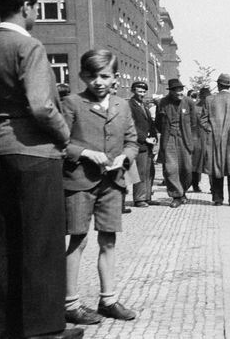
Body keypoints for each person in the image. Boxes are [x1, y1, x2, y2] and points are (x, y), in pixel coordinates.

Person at [0, 0, 83, 339]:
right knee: (42, 244)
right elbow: (43, 107)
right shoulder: (28, 47)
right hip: (34, 154)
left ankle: (0, 325)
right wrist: (64, 136)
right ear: (27, 6)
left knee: (0, 242)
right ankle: (44, 330)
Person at [61, 49, 138, 325]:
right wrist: (84, 153)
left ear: (115, 77)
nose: (98, 81)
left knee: (108, 240)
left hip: (112, 184)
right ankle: (70, 304)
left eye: (104, 76)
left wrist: (124, 158)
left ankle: (108, 300)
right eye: (92, 76)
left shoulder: (122, 105)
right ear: (82, 75)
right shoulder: (71, 103)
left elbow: (132, 141)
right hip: (80, 182)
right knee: (77, 241)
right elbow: (60, 142)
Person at [201, 74, 230, 206]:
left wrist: (211, 130)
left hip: (214, 139)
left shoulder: (209, 100)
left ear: (219, 85)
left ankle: (217, 199)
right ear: (229, 85)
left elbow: (203, 120)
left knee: (216, 167)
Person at [155, 79, 197, 208]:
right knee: (170, 169)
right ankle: (176, 196)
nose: (180, 92)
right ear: (171, 91)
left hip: (185, 139)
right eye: (177, 90)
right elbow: (158, 123)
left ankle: (183, 191)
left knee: (187, 169)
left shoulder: (188, 102)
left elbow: (194, 123)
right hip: (169, 139)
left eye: (181, 90)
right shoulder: (162, 103)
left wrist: (193, 140)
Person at [129, 81, 158, 208]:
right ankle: (139, 198)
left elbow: (149, 124)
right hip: (139, 143)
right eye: (139, 91)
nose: (142, 94)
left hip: (149, 144)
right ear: (133, 91)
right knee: (140, 171)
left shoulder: (143, 105)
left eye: (144, 91)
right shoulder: (130, 106)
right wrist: (144, 139)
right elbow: (131, 126)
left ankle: (147, 196)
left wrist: (154, 137)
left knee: (149, 171)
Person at [191, 87, 211, 193]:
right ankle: (195, 185)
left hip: (207, 140)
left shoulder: (212, 108)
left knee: (210, 164)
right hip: (197, 139)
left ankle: (213, 187)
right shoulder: (195, 108)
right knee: (196, 165)